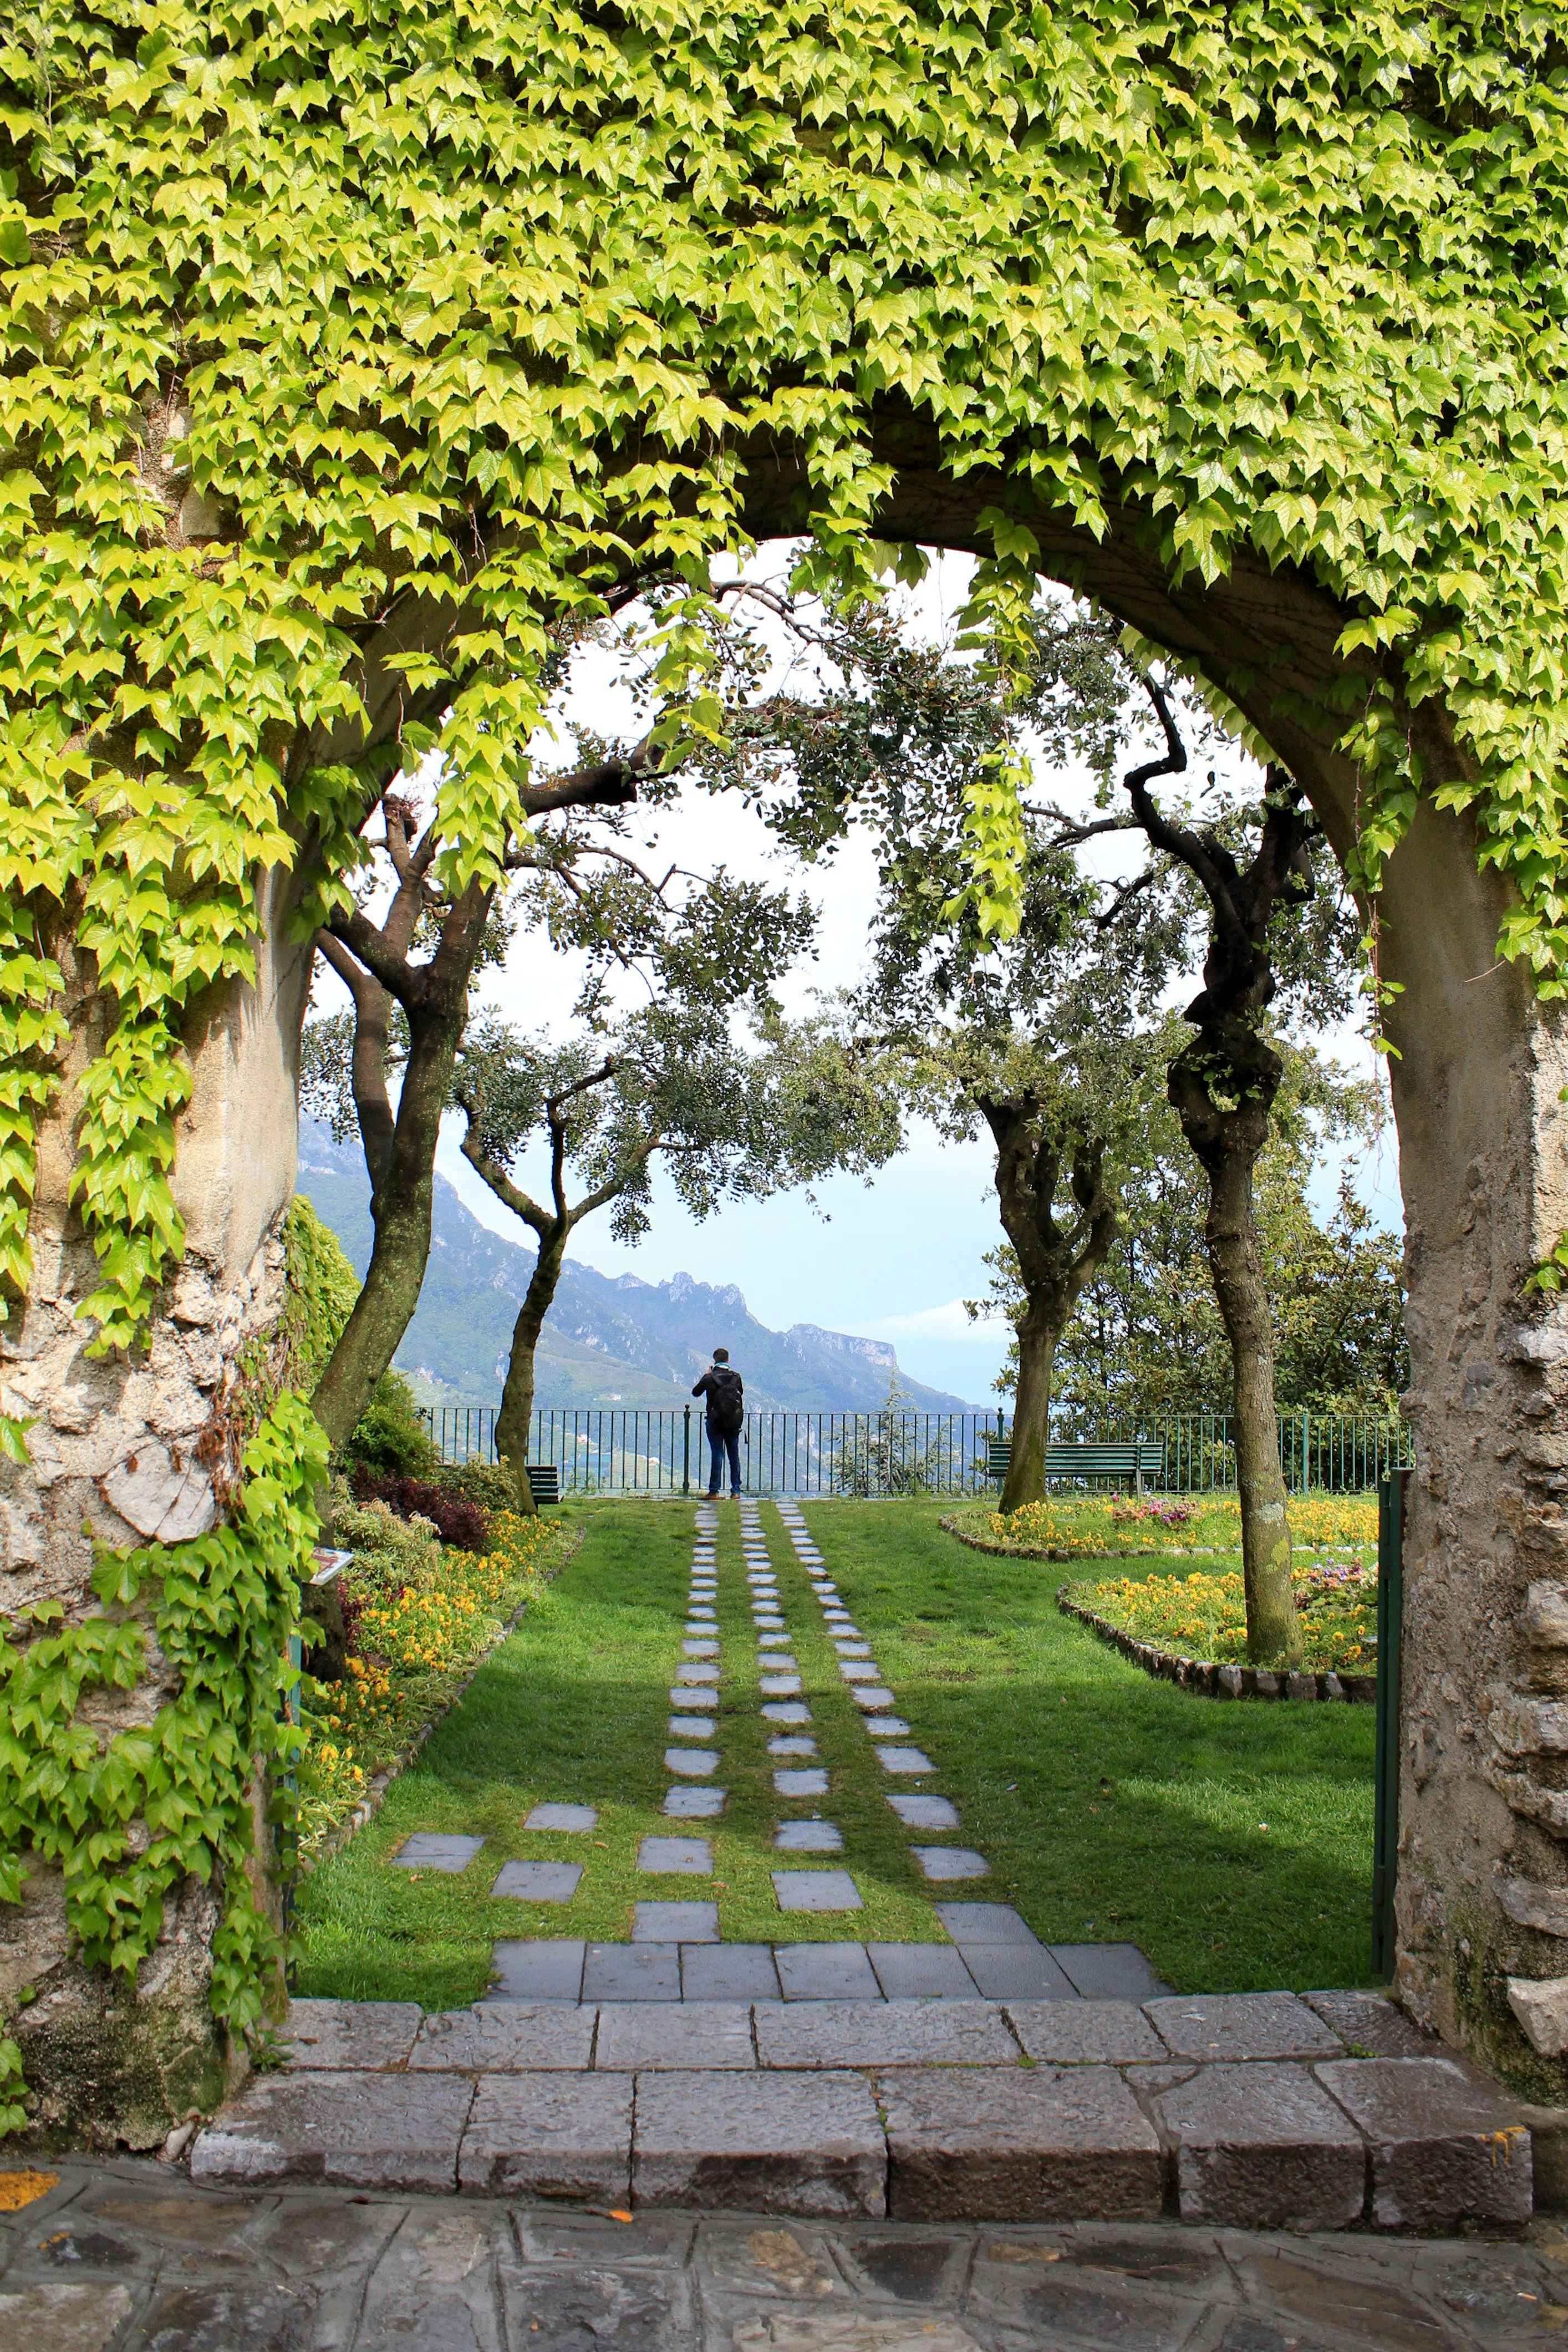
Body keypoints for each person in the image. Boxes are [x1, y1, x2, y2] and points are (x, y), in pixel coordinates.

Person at [692, 1347, 745, 1498]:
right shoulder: (736, 1377)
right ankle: (736, 1491)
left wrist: (706, 1375)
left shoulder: (710, 1378)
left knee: (717, 1454)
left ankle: (714, 1491)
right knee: (734, 1456)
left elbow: (695, 1393)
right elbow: (740, 1392)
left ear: (715, 1360)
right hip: (734, 1422)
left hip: (714, 1421)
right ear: (728, 1360)